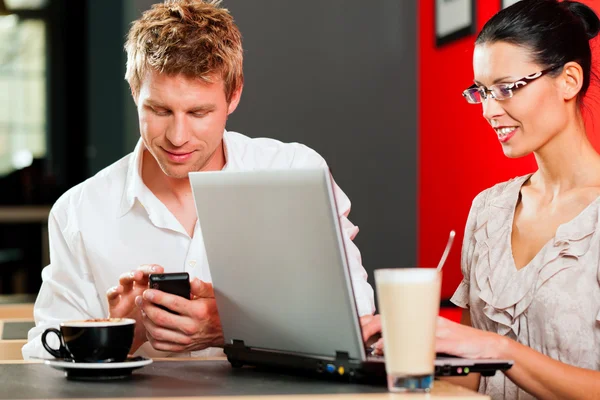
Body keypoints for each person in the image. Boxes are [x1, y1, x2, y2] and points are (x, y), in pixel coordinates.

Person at [22, 0, 377, 359]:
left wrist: (231, 327)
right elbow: (43, 352)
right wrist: (119, 332)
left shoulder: (299, 174)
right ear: (134, 94)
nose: (178, 136)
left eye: (199, 112)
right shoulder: (79, 211)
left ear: (234, 95)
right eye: (159, 110)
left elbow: (360, 325)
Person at [435, 1, 600, 399]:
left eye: (507, 88)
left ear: (569, 80)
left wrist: (501, 350)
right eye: (483, 92)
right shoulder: (487, 210)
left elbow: (488, 350)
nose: (490, 111)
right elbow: (471, 375)